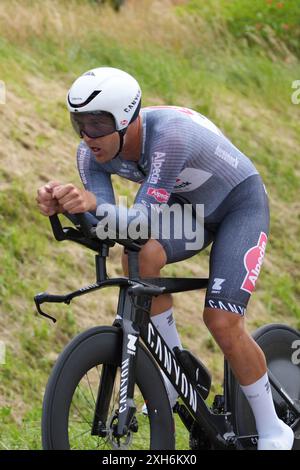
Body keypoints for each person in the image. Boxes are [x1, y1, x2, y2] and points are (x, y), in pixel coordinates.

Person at [37, 67, 294, 450]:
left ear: (126, 118)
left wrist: (90, 205)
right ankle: (178, 374)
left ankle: (275, 428)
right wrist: (67, 207)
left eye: (98, 123)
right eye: (80, 124)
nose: (88, 136)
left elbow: (138, 221)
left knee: (222, 322)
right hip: (190, 209)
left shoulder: (169, 137)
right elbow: (112, 224)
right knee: (139, 259)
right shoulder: (90, 154)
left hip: (239, 205)